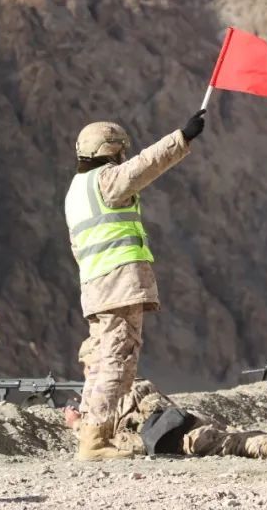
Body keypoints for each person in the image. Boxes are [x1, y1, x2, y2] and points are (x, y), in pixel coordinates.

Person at [64, 113, 205, 461]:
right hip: (118, 281)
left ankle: (89, 431)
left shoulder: (74, 191)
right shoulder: (106, 181)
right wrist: (182, 137)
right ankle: (95, 440)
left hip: (95, 284)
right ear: (111, 150)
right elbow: (145, 165)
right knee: (117, 357)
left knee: (99, 359)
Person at [66, 352, 267, 460]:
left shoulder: (105, 395)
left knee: (238, 445)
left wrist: (76, 423)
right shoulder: (140, 381)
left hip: (178, 435)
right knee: (239, 435)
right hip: (189, 420)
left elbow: (102, 439)